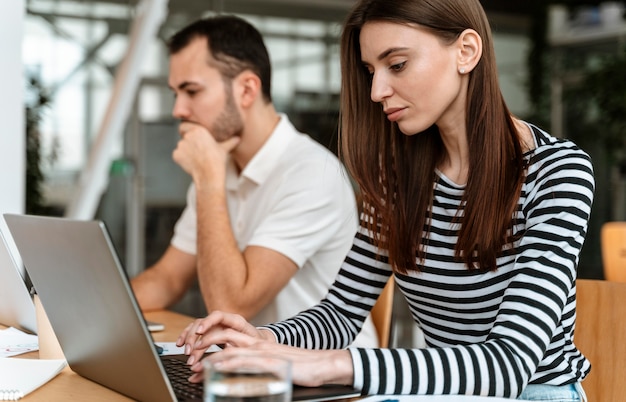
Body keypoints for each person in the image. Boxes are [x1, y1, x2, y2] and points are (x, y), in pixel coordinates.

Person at [176, 0, 596, 400]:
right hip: (440, 396)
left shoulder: (557, 171)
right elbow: (341, 314)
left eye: (397, 65)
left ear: (466, 51)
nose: (377, 90)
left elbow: (507, 366)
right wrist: (265, 339)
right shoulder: (399, 178)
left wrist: (329, 365)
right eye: (369, 70)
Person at [130, 15, 378, 347]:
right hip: (253, 366)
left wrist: (208, 180)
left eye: (191, 91)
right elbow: (168, 278)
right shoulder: (220, 167)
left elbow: (232, 306)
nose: (178, 109)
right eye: (175, 92)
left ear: (247, 89)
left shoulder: (312, 172)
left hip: (326, 381)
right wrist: (85, 313)